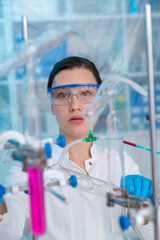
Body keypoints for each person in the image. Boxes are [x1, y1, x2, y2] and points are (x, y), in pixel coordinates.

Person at [0, 56, 153, 240]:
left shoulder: (121, 162)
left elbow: (153, 235)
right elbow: (7, 231)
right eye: (62, 95)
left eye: (86, 93)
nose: (75, 105)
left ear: (101, 101)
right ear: (52, 107)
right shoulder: (30, 166)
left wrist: (143, 208)